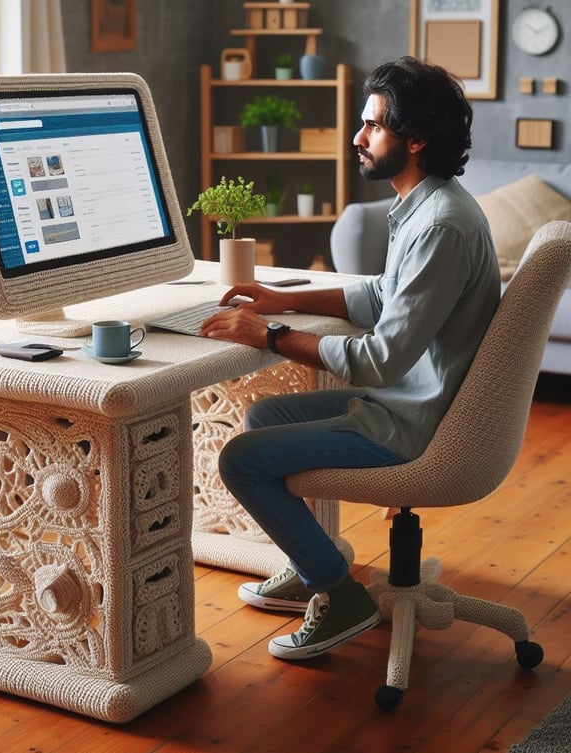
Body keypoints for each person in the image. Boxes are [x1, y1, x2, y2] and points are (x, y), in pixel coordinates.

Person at [198, 56, 500, 661]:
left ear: (416, 139)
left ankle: (340, 594)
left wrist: (268, 335)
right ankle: (316, 562)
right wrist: (286, 297)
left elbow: (382, 359)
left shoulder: (442, 226)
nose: (358, 138)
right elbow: (383, 294)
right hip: (409, 397)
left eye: (374, 127)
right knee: (264, 418)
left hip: (414, 421)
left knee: (241, 459)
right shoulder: (427, 204)